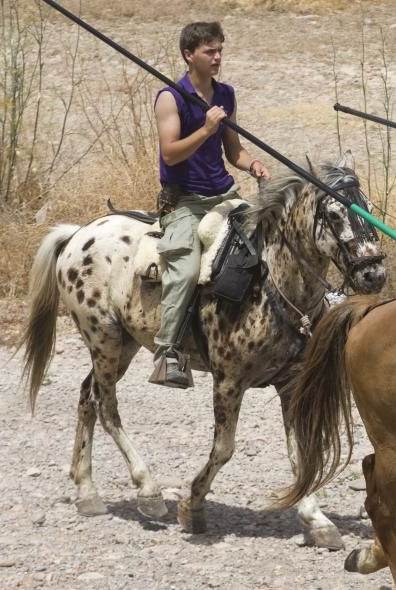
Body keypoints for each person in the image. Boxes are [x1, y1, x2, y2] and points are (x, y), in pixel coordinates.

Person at [151, 21, 270, 388]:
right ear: (190, 55)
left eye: (219, 50)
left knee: (269, 243)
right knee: (186, 270)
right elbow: (170, 155)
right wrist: (204, 129)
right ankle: (168, 351)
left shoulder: (226, 95)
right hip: (185, 201)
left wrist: (252, 164)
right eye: (209, 51)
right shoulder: (171, 97)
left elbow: (233, 150)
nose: (217, 57)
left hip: (224, 194)